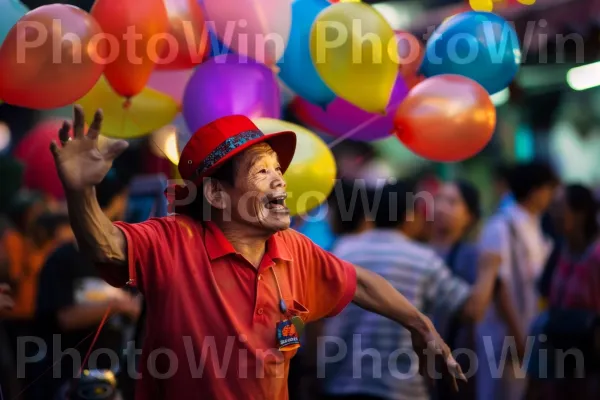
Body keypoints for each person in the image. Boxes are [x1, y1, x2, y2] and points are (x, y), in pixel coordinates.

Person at [50, 106, 464, 400]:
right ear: (216, 193)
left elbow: (361, 284)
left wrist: (420, 324)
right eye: (261, 171)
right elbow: (104, 244)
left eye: (278, 170)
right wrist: (80, 191)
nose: (280, 182)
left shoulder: (293, 247)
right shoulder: (174, 240)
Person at [320, 180, 500, 400]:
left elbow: (318, 318)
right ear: (409, 216)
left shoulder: (341, 250)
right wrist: (489, 270)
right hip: (401, 389)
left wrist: (313, 372)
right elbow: (471, 311)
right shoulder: (423, 260)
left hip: (341, 384)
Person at [32, 166, 141, 400]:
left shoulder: (121, 256)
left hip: (110, 378)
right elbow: (64, 317)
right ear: (115, 204)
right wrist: (119, 306)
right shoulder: (62, 259)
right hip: (69, 381)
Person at [476, 161, 559, 400]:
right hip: (505, 339)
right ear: (536, 191)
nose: (551, 198)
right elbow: (498, 287)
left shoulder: (533, 225)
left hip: (525, 337)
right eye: (549, 190)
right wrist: (518, 337)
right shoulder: (501, 227)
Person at [542, 184, 600, 399]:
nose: (553, 213)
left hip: (590, 365)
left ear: (580, 213)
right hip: (560, 363)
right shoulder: (560, 251)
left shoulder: (596, 257)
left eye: (559, 207)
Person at [430, 181, 483, 400]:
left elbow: (473, 313)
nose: (441, 207)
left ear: (469, 215)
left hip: (456, 355)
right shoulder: (420, 249)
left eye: (452, 202)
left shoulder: (472, 256)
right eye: (438, 199)